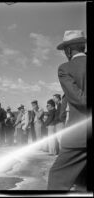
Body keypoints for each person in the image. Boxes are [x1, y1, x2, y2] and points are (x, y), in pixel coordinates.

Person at [48, 30, 88, 191]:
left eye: (65, 50)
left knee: (57, 178)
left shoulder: (65, 68)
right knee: (83, 182)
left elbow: (77, 98)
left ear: (69, 50)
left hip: (79, 136)